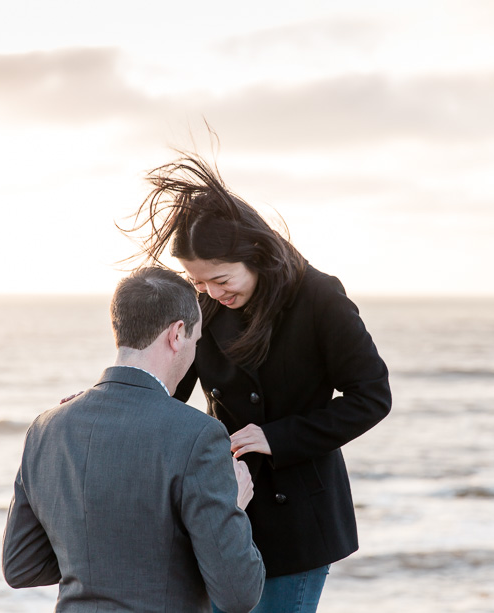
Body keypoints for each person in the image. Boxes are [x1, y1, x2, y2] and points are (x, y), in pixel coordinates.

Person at [123, 154, 392, 612]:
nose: (211, 293)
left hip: (298, 514)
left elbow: (372, 396)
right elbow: (166, 388)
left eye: (220, 279)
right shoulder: (205, 305)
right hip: (224, 502)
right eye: (197, 282)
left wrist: (277, 437)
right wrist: (110, 402)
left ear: (254, 254)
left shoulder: (319, 297)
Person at [2, 267, 265, 613]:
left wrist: (96, 556)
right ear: (177, 334)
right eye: (196, 342)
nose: (194, 353)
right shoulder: (199, 435)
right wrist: (233, 507)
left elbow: (22, 565)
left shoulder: (45, 428)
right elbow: (238, 594)